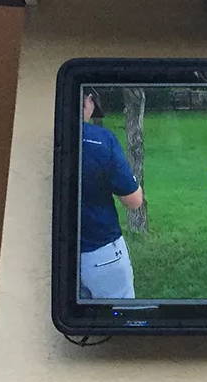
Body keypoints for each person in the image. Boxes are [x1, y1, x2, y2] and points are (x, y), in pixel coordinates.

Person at [79, 89, 144, 299]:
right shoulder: (101, 140)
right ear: (88, 100)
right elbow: (134, 201)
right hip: (101, 252)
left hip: (51, 253)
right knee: (120, 317)